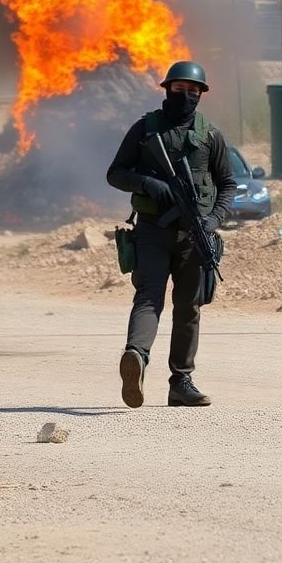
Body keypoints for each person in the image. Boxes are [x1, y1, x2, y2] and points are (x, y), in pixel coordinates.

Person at [106, 60, 236, 409]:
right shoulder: (146, 130)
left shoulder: (210, 135)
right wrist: (148, 183)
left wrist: (212, 221)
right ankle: (136, 357)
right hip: (152, 231)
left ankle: (181, 381)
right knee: (149, 297)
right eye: (179, 89)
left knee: (189, 306)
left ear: (201, 95)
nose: (186, 96)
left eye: (193, 91)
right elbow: (115, 173)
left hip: (195, 235)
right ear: (166, 90)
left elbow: (227, 185)